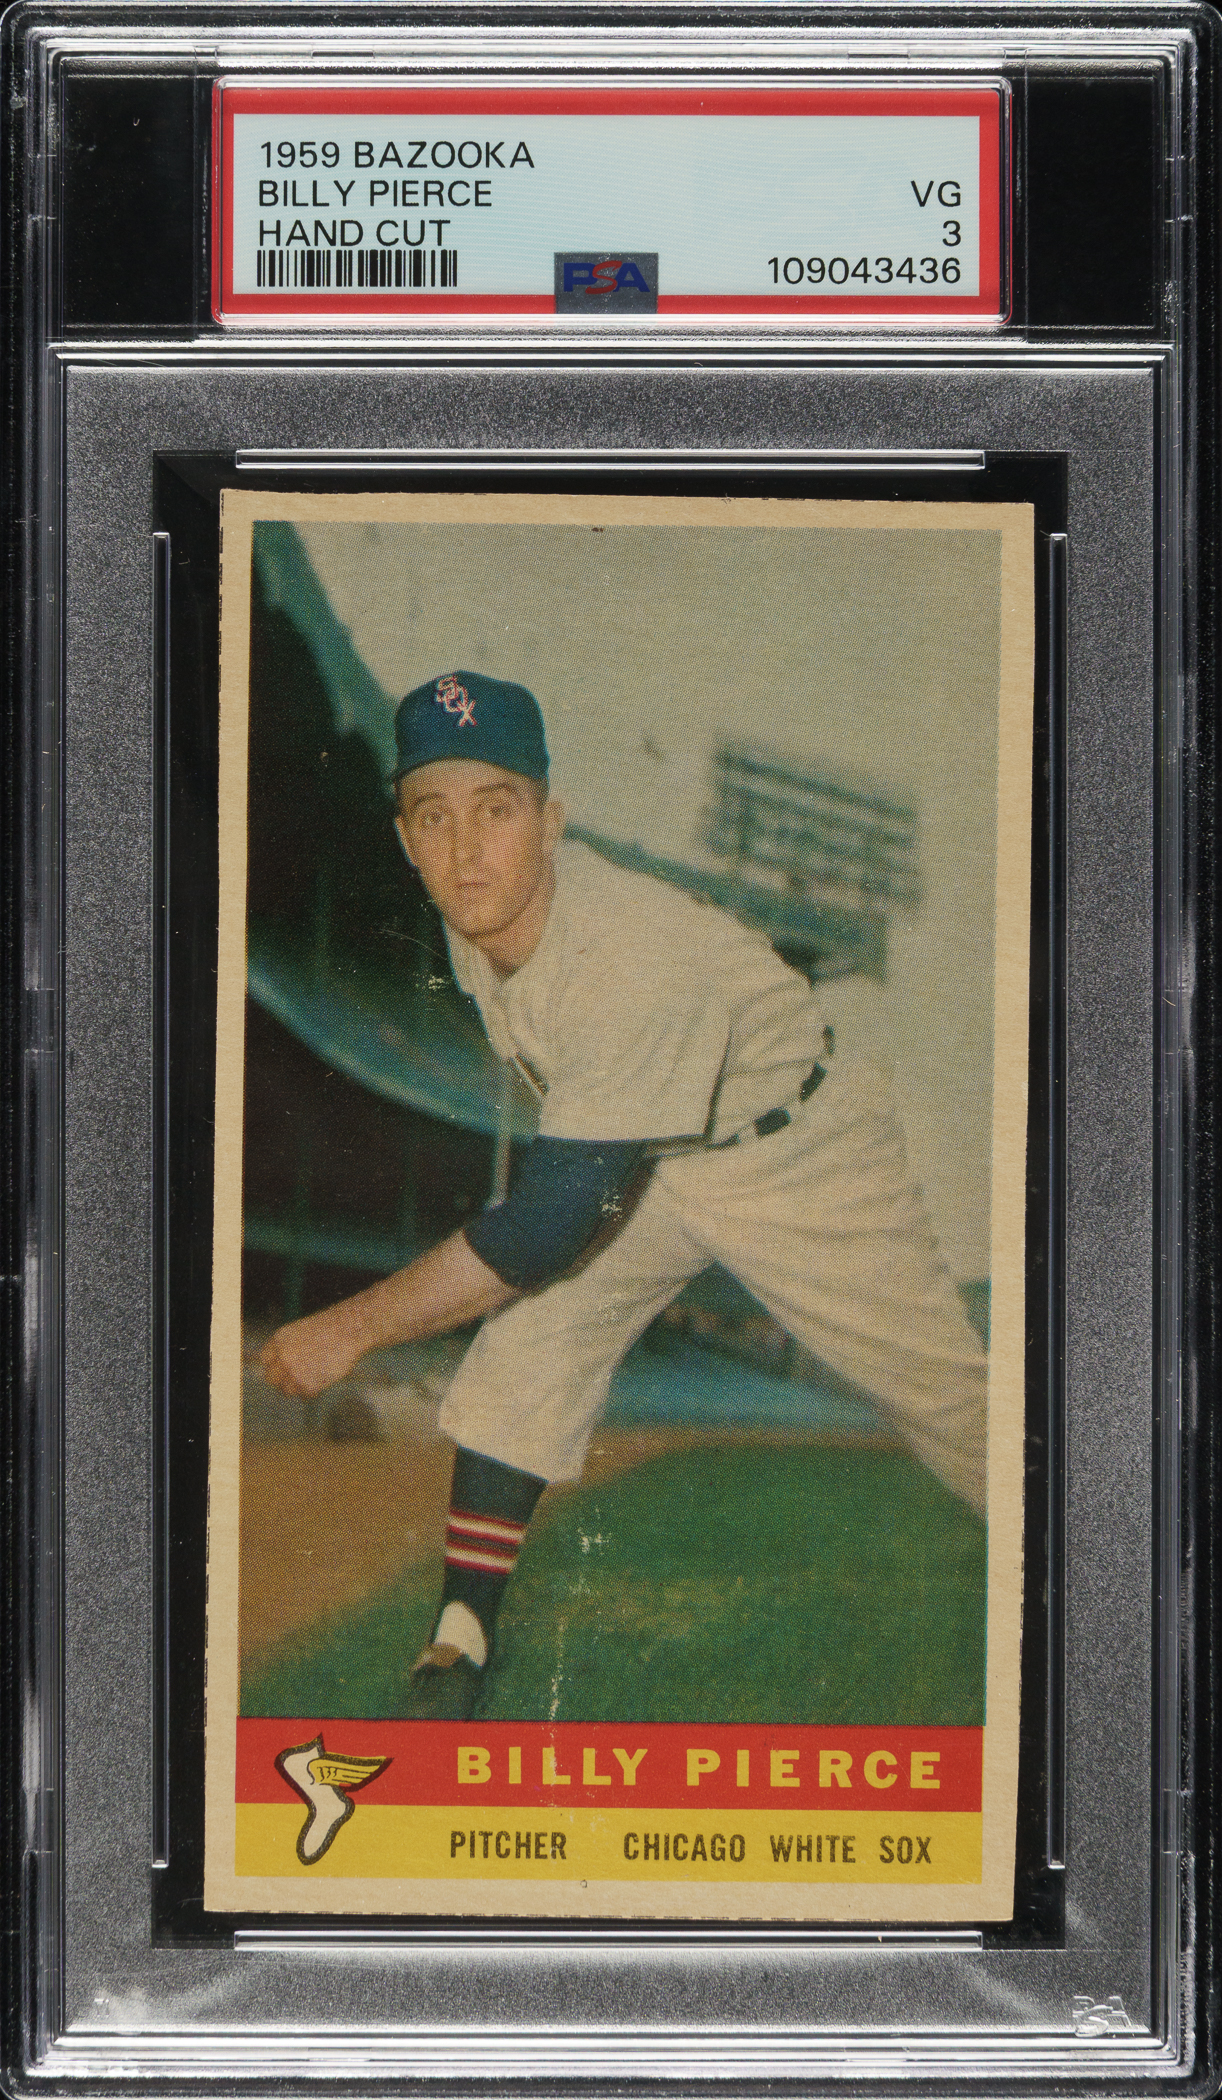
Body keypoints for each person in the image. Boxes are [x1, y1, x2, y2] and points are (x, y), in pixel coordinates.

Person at [261, 670, 988, 1719]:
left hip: (798, 1150)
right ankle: (458, 1645)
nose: (466, 850)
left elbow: (548, 1226)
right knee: (528, 1345)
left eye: (496, 810)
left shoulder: (630, 959)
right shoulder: (477, 918)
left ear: (550, 823)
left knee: (947, 1401)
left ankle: (1092, 1583)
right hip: (654, 1150)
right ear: (406, 838)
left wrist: (351, 1328)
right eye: (435, 816)